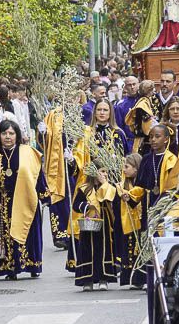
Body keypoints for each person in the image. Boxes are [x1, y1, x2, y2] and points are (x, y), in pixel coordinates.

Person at [70, 99, 128, 290]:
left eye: (106, 110)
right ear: (94, 113)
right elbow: (79, 158)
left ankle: (112, 266)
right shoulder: (87, 133)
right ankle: (88, 275)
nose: (102, 113)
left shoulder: (118, 133)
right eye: (99, 110)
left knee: (112, 229)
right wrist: (71, 160)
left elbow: (124, 159)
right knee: (90, 236)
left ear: (110, 113)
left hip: (111, 183)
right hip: (90, 183)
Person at [0, 119, 46, 280]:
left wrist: (44, 195)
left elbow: (37, 176)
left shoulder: (28, 152)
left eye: (11, 133)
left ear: (17, 135)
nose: (7, 137)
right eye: (4, 133)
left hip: (24, 198)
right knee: (5, 233)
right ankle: (10, 268)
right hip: (0, 201)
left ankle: (31, 265)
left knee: (27, 231)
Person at [41, 98, 76, 252]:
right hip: (58, 165)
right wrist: (42, 132)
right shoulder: (53, 115)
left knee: (75, 198)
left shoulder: (84, 113)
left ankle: (76, 234)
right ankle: (61, 235)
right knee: (58, 198)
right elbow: (45, 140)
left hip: (76, 163)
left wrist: (75, 157)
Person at [114, 154, 146, 288]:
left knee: (140, 249)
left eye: (127, 167)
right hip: (126, 222)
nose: (124, 169)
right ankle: (131, 278)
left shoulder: (142, 185)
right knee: (129, 249)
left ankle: (141, 278)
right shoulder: (121, 186)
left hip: (140, 221)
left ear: (136, 169)